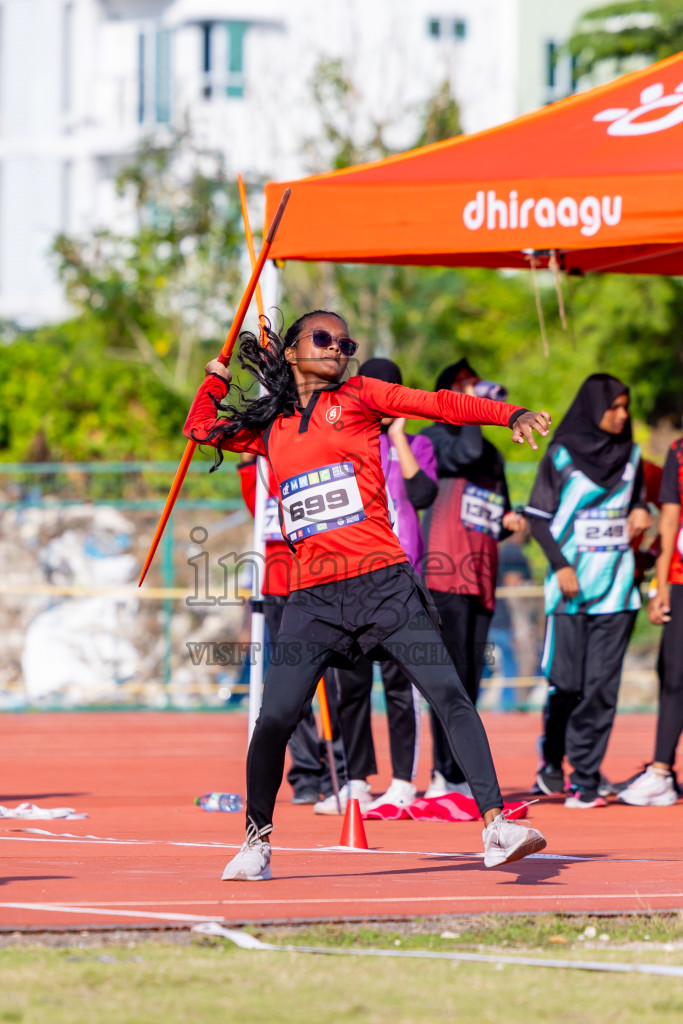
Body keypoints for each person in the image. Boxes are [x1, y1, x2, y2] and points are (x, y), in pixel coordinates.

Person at [184, 309, 550, 880]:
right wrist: (213, 380)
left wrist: (512, 414)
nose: (339, 349)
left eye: (346, 342)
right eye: (325, 339)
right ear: (290, 351)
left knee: (450, 696)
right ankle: (256, 842)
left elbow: (441, 404)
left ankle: (496, 826)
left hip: (384, 586)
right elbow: (202, 429)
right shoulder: (270, 427)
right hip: (313, 599)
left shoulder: (359, 397)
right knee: (274, 718)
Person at [313, 357, 438, 814]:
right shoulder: (343, 438)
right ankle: (356, 782)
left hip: (398, 575)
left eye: (391, 391)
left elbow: (423, 495)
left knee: (401, 685)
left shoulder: (418, 445)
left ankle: (403, 781)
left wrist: (400, 436)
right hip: (349, 575)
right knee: (352, 684)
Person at [525, 374, 651, 809]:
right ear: (593, 406)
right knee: (567, 684)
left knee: (600, 688)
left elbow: (641, 502)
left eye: (625, 407)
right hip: (570, 590)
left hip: (617, 591)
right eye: (614, 406)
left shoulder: (632, 456)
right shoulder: (559, 457)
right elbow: (537, 517)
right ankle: (551, 760)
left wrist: (640, 511)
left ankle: (586, 777)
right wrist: (560, 566)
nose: (623, 415)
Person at [421, 360, 527, 797]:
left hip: (481, 577)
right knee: (448, 678)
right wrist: (473, 408)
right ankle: (443, 772)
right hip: (445, 571)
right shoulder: (435, 438)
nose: (477, 394)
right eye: (464, 388)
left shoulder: (492, 453)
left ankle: (460, 773)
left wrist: (510, 521)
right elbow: (462, 455)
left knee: (472, 679)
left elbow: (496, 515)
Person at [238, 453, 346, 804]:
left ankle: (339, 771)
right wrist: (248, 460)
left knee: (330, 682)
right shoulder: (260, 471)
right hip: (275, 588)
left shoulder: (310, 461)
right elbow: (257, 511)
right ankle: (305, 773)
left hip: (317, 585)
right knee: (288, 689)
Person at [617, 440, 683, 807]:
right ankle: (660, 773)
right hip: (680, 577)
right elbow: (670, 520)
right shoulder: (679, 451)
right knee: (673, 672)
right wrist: (660, 586)